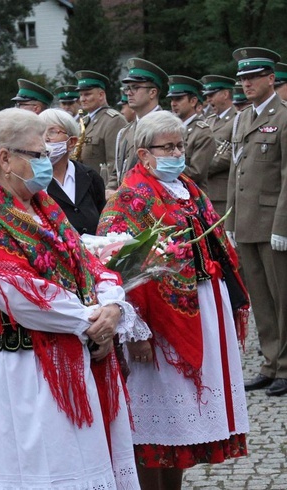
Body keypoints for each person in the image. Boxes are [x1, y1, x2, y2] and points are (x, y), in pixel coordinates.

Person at [0, 107, 144, 489]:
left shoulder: (43, 205)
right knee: (45, 470)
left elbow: (88, 264)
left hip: (70, 352)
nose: (48, 161)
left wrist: (112, 304)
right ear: (5, 158)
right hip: (23, 370)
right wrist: (93, 322)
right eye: (38, 155)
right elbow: (21, 296)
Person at [98, 111, 250, 489]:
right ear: (143, 154)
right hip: (158, 325)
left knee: (184, 428)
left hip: (203, 308)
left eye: (180, 145)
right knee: (154, 425)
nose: (177, 153)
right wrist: (138, 333)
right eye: (168, 147)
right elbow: (117, 272)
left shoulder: (187, 188)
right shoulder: (131, 198)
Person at [228, 47, 287, 397]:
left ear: (270, 78)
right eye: (243, 79)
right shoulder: (243, 118)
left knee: (283, 298)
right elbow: (239, 172)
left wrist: (283, 225)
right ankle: (269, 363)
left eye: (253, 77)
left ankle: (285, 366)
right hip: (248, 222)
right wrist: (232, 220)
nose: (247, 84)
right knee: (261, 300)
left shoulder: (284, 117)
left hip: (273, 224)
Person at [39, 109, 106, 234]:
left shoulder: (90, 177)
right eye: (40, 132)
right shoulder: (33, 180)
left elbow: (103, 222)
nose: (45, 139)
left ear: (71, 142)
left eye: (52, 132)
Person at [114, 58, 167, 190]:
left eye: (136, 87)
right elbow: (117, 172)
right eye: (128, 88)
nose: (129, 93)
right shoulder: (125, 131)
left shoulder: (169, 127)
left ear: (152, 92)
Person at [74, 70, 127, 189]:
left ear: (101, 95)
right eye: (81, 95)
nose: (82, 99)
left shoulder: (113, 120)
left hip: (101, 190)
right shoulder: (84, 121)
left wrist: (110, 190)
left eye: (87, 94)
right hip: (85, 188)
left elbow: (115, 163)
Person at [166, 75, 215, 191]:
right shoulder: (170, 130)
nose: (173, 103)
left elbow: (196, 173)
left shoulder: (202, 133)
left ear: (193, 101)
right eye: (172, 99)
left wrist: (166, 162)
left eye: (178, 99)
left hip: (192, 197)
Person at [201, 75, 237, 216]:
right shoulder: (208, 121)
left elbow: (233, 153)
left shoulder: (237, 119)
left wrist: (202, 166)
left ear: (225, 94)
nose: (208, 100)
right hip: (205, 190)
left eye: (212, 95)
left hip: (222, 193)